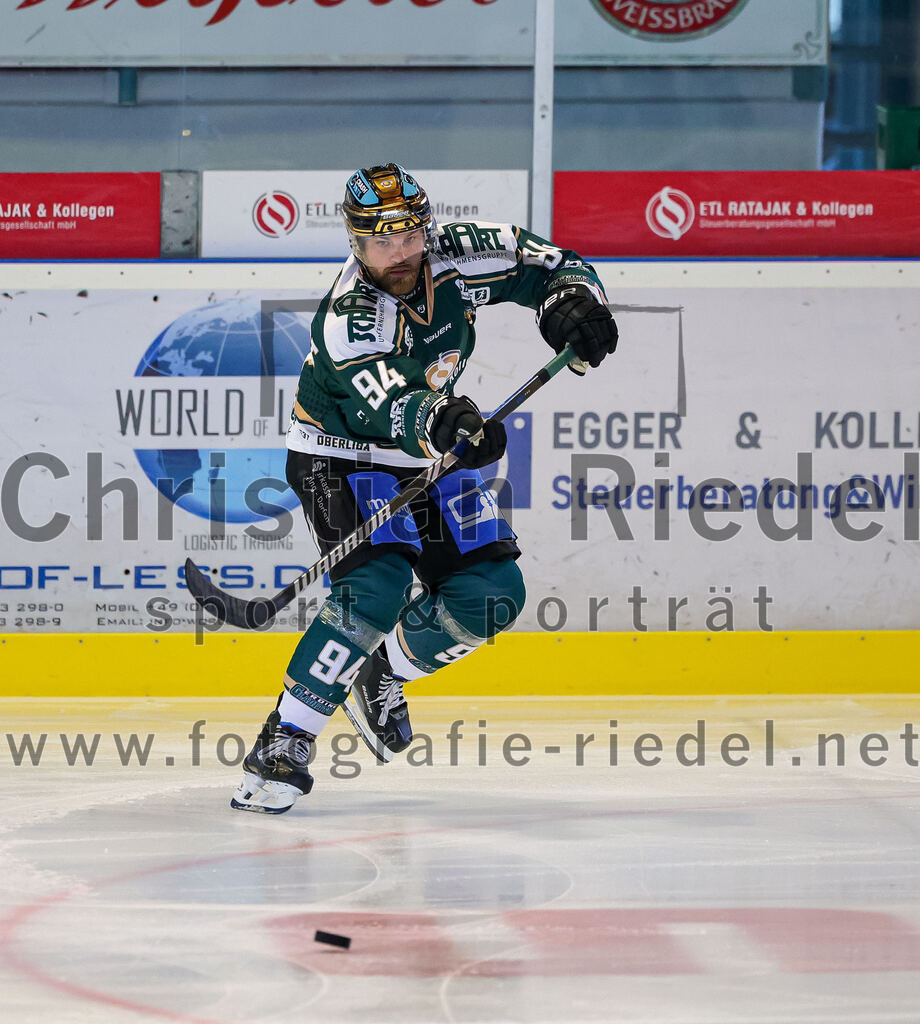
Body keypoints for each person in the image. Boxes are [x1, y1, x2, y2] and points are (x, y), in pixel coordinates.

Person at [231, 163, 618, 813]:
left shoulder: (455, 254)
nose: (401, 253)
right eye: (383, 242)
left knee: (491, 596)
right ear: (355, 243)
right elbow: (393, 405)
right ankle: (285, 738)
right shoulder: (349, 319)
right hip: (342, 454)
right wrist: (445, 420)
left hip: (426, 447)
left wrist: (574, 301)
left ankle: (384, 672)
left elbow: (552, 262)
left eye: (411, 235)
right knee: (376, 589)